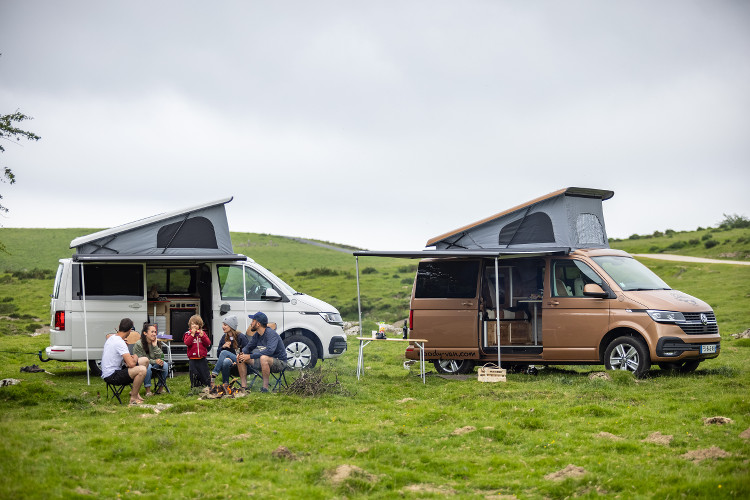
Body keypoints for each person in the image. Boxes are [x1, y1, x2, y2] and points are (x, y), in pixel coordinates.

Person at [100, 318, 148, 405]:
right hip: (112, 375)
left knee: (145, 360)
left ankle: (135, 392)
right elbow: (131, 364)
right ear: (130, 330)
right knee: (142, 369)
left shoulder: (112, 338)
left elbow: (125, 360)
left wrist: (130, 357)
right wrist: (135, 357)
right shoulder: (120, 342)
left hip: (110, 371)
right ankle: (133, 399)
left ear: (119, 327)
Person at [237, 312, 288, 393]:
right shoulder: (257, 335)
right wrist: (242, 353)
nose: (251, 323)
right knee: (241, 358)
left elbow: (270, 351)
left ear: (258, 324)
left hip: (279, 362)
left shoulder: (271, 334)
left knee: (264, 358)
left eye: (253, 321)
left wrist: (250, 356)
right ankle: (244, 387)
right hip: (263, 361)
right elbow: (248, 347)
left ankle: (265, 388)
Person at [133, 322, 169, 395]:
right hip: (142, 366)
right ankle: (148, 391)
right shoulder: (139, 344)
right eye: (152, 332)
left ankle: (160, 389)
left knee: (165, 364)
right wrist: (155, 361)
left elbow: (161, 356)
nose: (154, 334)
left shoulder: (156, 342)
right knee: (148, 366)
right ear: (145, 333)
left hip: (154, 365)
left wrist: (155, 347)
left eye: (155, 332)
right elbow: (142, 360)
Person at [210, 315, 247, 386]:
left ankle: (214, 375)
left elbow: (247, 351)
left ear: (231, 326)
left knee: (224, 352)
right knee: (225, 361)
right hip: (231, 362)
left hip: (242, 361)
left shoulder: (241, 337)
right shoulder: (224, 337)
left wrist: (238, 360)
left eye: (225, 325)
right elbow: (218, 355)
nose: (223, 327)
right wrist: (223, 346)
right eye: (223, 325)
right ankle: (225, 384)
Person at [184, 314, 211, 388]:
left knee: (204, 373)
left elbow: (208, 343)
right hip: (193, 359)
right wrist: (192, 335)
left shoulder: (202, 333)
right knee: (194, 374)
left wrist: (203, 337)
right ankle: (195, 387)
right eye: (192, 324)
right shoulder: (188, 334)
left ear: (199, 325)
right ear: (190, 325)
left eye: (196, 324)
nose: (194, 326)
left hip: (202, 358)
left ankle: (207, 386)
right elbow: (187, 343)